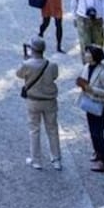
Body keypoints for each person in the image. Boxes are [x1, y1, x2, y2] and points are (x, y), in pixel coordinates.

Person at [16, 37, 62, 170]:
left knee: (34, 130)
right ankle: (56, 159)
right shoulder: (52, 65)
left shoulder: (27, 65)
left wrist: (25, 60)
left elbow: (19, 74)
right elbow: (55, 76)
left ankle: (36, 160)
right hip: (49, 101)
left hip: (33, 101)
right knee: (52, 130)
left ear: (32, 49)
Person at [75, 44, 104, 172]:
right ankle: (98, 153)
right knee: (92, 132)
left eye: (87, 53)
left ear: (94, 57)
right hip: (89, 103)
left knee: (98, 134)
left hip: (99, 105)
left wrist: (92, 89)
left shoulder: (103, 73)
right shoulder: (86, 67)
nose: (85, 55)